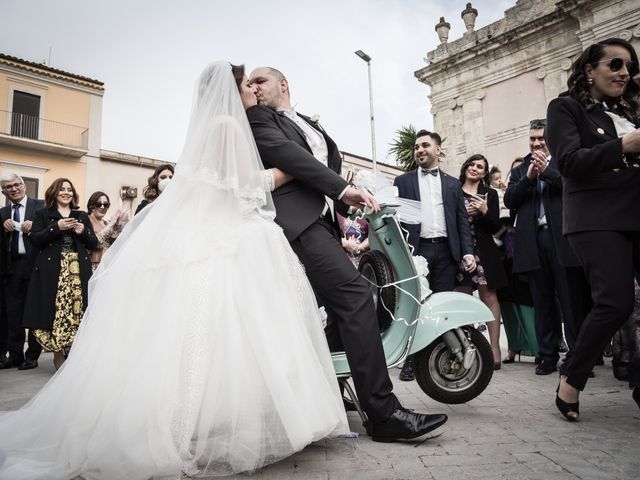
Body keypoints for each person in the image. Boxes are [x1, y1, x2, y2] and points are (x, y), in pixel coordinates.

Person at [0, 61, 349, 479]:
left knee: (221, 331)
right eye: (248, 85)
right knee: (230, 327)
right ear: (230, 90)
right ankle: (210, 423)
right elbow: (240, 185)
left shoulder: (220, 126)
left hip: (229, 230)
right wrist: (293, 168)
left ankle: (216, 418)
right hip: (236, 234)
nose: (255, 91)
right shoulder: (224, 125)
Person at [247, 66, 447, 441]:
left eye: (261, 81)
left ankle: (329, 396)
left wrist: (347, 208)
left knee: (343, 310)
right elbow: (290, 157)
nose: (254, 88)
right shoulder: (258, 118)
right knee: (356, 297)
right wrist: (343, 190)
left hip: (320, 223)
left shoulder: (308, 122)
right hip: (297, 224)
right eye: (250, 83)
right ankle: (384, 414)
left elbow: (323, 165)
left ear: (283, 83)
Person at [547, 37, 640, 419]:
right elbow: (568, 161)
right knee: (615, 302)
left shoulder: (631, 114)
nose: (624, 73)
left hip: (636, 213)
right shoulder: (566, 108)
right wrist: (623, 145)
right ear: (589, 70)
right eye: (614, 65)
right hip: (596, 219)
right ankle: (572, 377)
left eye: (629, 67)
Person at [504, 119, 587, 376]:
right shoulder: (520, 171)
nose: (537, 143)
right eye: (533, 139)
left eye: (541, 138)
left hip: (562, 239)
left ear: (550, 138)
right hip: (533, 242)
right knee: (542, 302)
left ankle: (577, 358)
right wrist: (528, 178)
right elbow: (509, 200)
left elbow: (573, 188)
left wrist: (547, 172)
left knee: (570, 300)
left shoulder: (564, 160)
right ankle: (547, 356)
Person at [392, 129, 476, 381]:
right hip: (418, 251)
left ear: (437, 150)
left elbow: (462, 221)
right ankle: (410, 360)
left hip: (447, 252)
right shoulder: (403, 182)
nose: (419, 150)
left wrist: (468, 253)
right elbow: (397, 219)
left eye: (425, 145)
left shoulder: (452, 184)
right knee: (415, 305)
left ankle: (435, 358)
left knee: (440, 306)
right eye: (416, 147)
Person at [21, 178, 97, 370]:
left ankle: (73, 353)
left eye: (69, 190)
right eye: (62, 189)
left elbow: (93, 243)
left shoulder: (81, 215)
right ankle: (58, 355)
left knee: (76, 312)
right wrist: (57, 227)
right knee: (57, 313)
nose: (66, 192)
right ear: (54, 192)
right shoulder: (42, 213)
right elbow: (36, 239)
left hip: (77, 270)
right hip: (53, 270)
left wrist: (82, 231)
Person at [455, 154, 508, 370]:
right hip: (461, 251)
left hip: (484, 251)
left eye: (480, 167)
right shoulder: (454, 191)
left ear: (485, 173)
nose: (475, 168)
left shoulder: (490, 194)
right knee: (462, 298)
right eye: (472, 164)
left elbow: (495, 226)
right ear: (466, 167)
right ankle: (465, 348)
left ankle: (494, 349)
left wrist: (484, 212)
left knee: (489, 296)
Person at [0, 174, 44, 370]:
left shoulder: (41, 206)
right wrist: (3, 229)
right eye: (8, 187)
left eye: (17, 184)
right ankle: (15, 355)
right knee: (13, 314)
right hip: (12, 268)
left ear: (25, 186)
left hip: (35, 265)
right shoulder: (2, 213)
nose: (14, 189)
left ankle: (32, 356)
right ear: (3, 192)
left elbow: (51, 229)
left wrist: (35, 227)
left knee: (34, 311)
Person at [497, 158, 539, 364]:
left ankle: (536, 347)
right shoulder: (505, 195)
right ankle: (514, 347)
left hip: (523, 253)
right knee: (507, 302)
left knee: (527, 301)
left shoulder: (531, 190)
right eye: (514, 172)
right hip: (502, 257)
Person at [86, 191, 127, 271]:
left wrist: (117, 226)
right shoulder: (87, 220)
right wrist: (111, 224)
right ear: (91, 206)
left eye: (105, 205)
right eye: (98, 204)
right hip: (93, 267)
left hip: (107, 266)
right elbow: (94, 243)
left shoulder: (106, 223)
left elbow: (116, 244)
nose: (102, 207)